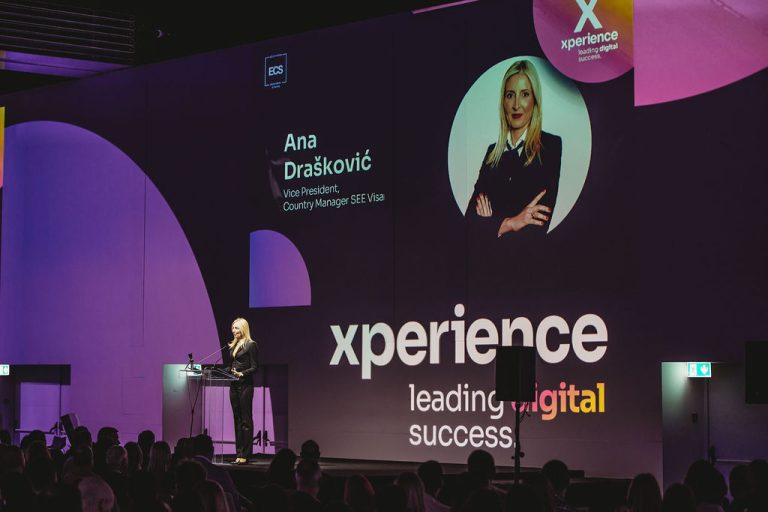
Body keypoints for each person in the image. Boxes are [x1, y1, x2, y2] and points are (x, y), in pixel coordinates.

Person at [466, 59, 562, 239]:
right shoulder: (492, 153)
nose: (516, 104)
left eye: (525, 94)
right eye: (510, 95)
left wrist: (489, 224)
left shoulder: (550, 146)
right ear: (503, 101)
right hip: (485, 255)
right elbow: (469, 221)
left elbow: (537, 227)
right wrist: (512, 223)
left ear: (535, 99)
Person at [227, 317, 259, 464]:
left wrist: (242, 373)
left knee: (245, 420)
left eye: (237, 328)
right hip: (233, 385)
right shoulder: (233, 345)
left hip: (245, 385)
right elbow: (231, 365)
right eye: (233, 328)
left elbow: (255, 367)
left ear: (243, 329)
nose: (234, 331)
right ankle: (238, 453)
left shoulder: (251, 345)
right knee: (237, 419)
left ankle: (245, 454)